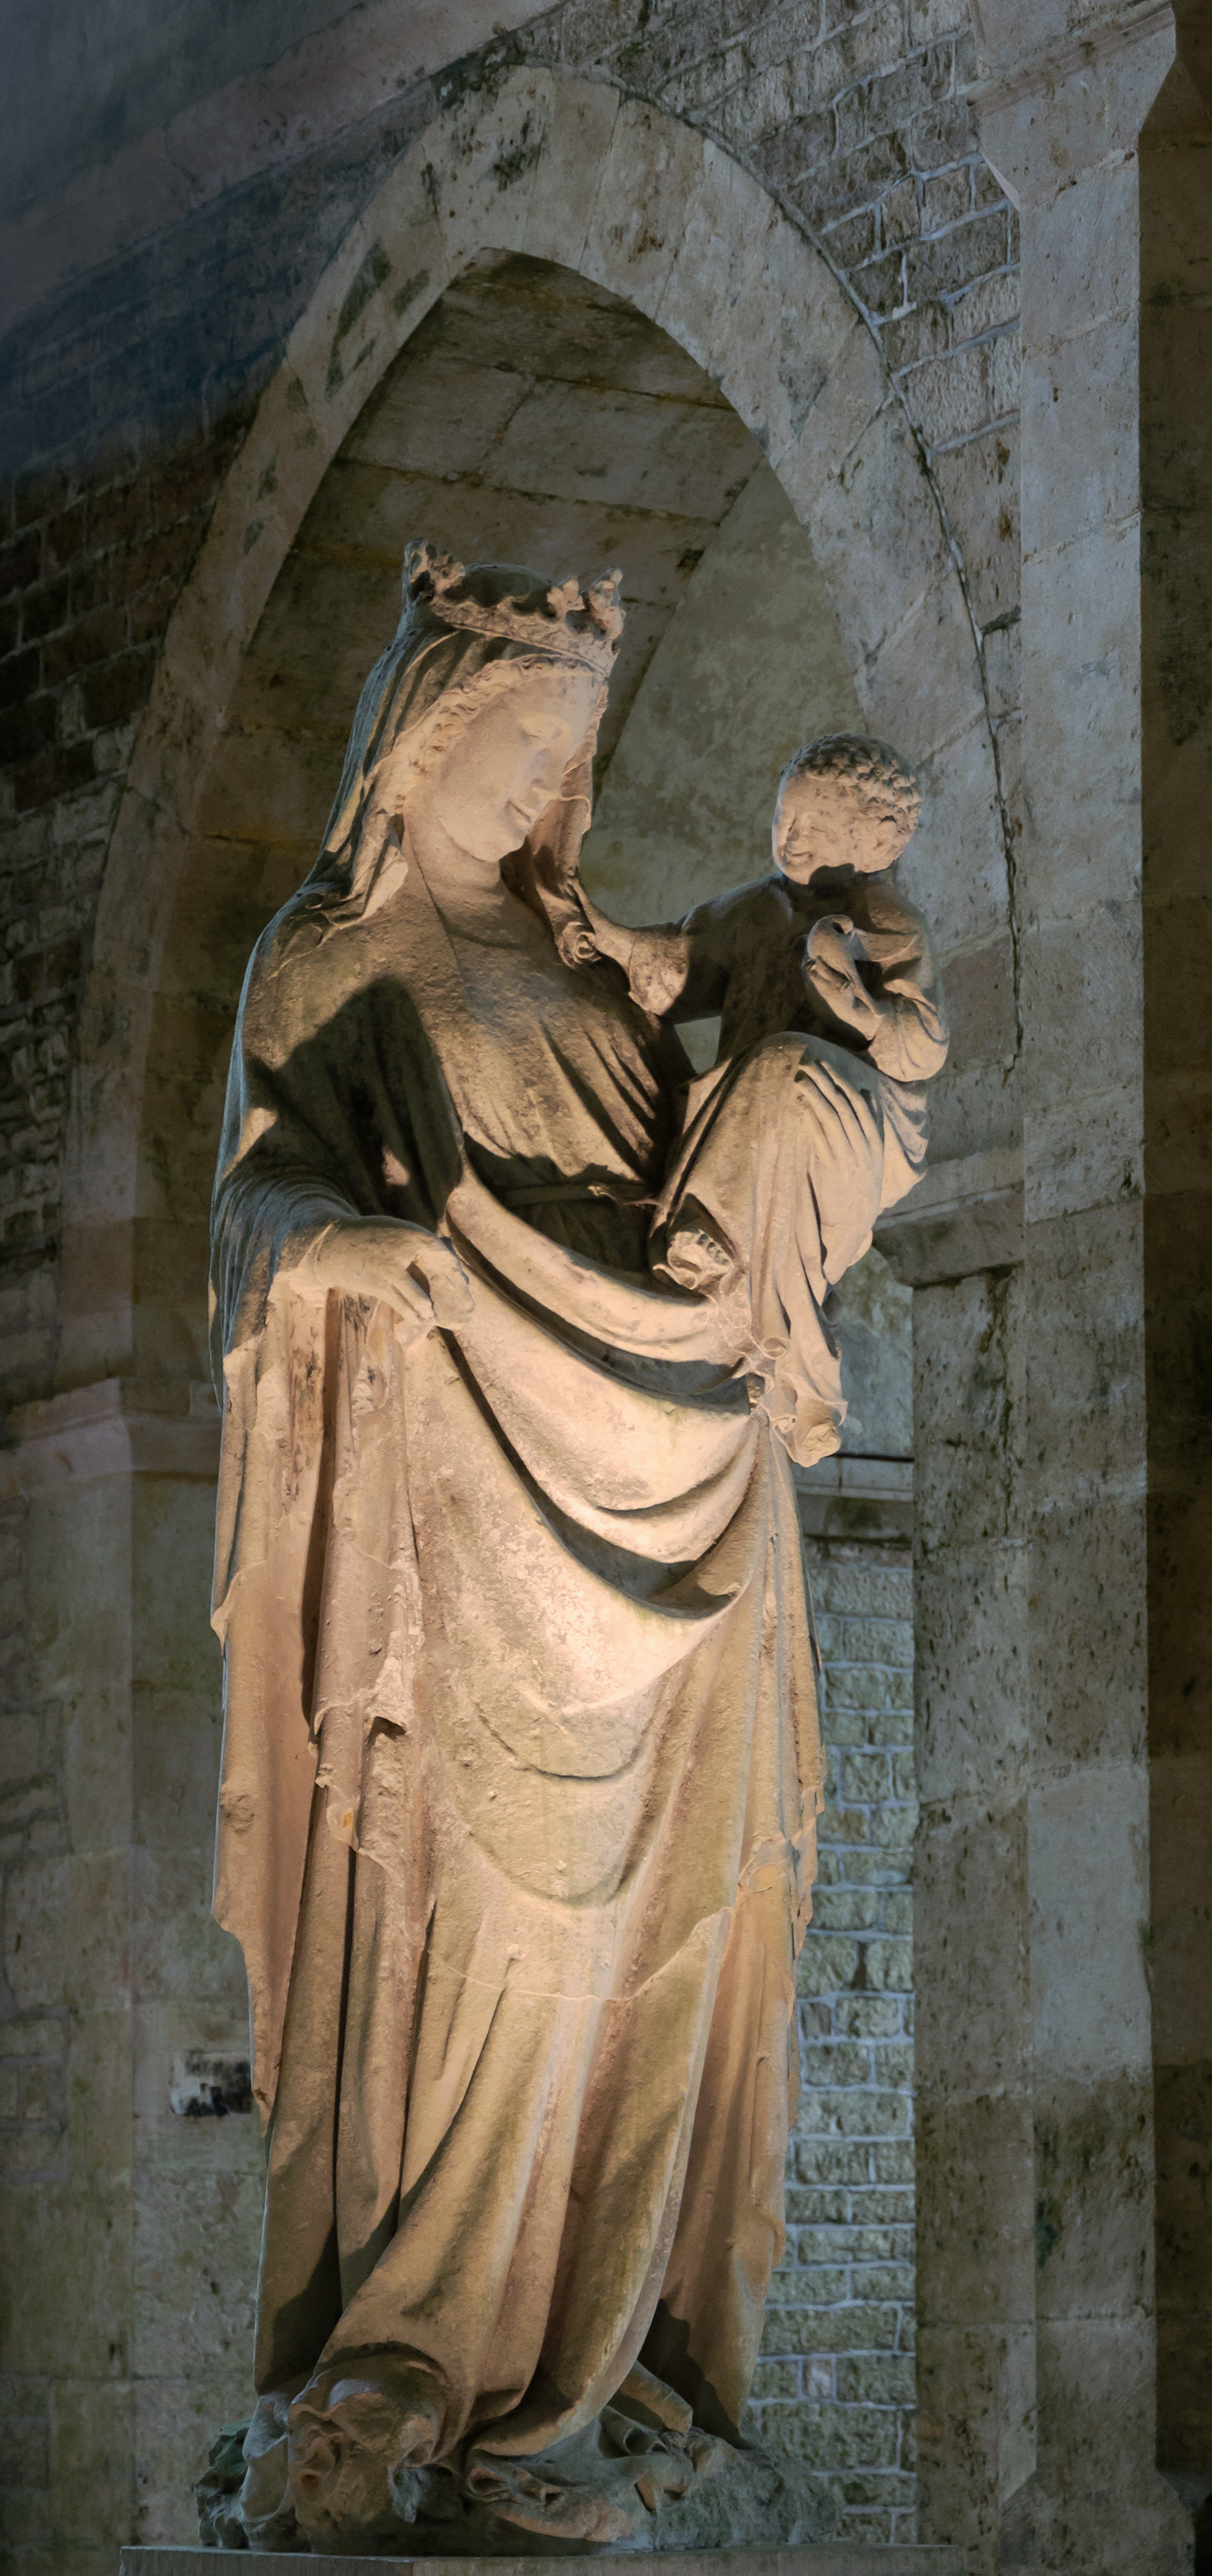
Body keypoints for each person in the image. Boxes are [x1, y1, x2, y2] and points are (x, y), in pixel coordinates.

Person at [202, 547, 911, 2557]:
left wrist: (814, 1076)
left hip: (676, 1469)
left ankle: (617, 2381)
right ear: (416, 747)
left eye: (562, 762)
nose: (536, 793)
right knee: (501, 1935)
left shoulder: (602, 968)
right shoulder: (326, 967)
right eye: (510, 746)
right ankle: (416, 2354)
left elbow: (710, 1189)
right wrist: (341, 1251)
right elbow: (257, 1214)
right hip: (472, 1512)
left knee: (676, 1935)